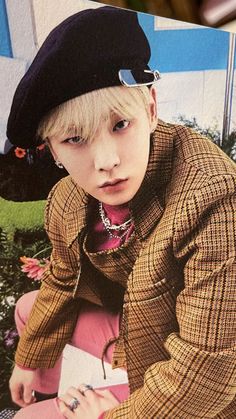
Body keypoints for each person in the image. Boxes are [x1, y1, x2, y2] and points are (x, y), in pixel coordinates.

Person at [6, 5, 236, 419]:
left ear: (149, 108)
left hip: (191, 361)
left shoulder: (211, 195)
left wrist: (110, 417)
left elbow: (209, 368)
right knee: (28, 308)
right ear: (52, 150)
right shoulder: (67, 199)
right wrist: (28, 360)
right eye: (75, 138)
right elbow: (62, 277)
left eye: (119, 125)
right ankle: (55, 393)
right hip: (137, 318)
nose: (106, 161)